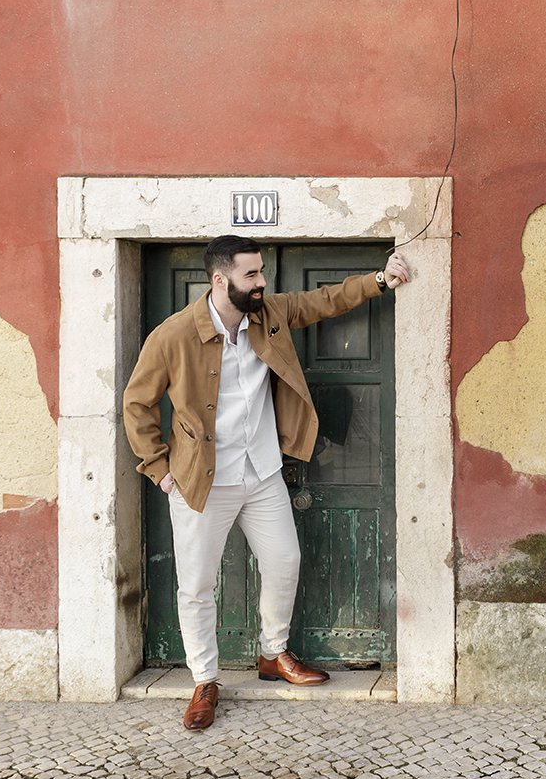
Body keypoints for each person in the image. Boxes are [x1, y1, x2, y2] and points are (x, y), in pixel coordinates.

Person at [123, 236, 411, 730]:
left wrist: (379, 280)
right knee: (195, 585)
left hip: (261, 472)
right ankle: (204, 680)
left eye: (261, 273)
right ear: (220, 280)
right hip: (199, 481)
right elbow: (137, 404)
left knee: (284, 561)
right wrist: (160, 470)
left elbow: (321, 301)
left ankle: (273, 654)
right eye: (251, 275)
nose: (262, 283)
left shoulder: (269, 315)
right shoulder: (172, 337)